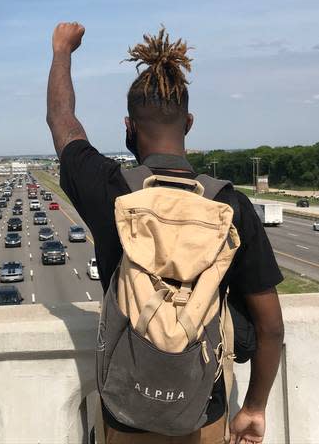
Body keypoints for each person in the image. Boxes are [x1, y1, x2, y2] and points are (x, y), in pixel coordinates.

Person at [46, 22, 285, 444]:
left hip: (127, 413)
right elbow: (270, 327)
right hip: (203, 411)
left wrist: (62, 50)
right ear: (189, 122)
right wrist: (253, 407)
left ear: (128, 126)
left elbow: (62, 121)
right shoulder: (230, 206)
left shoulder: (112, 191)